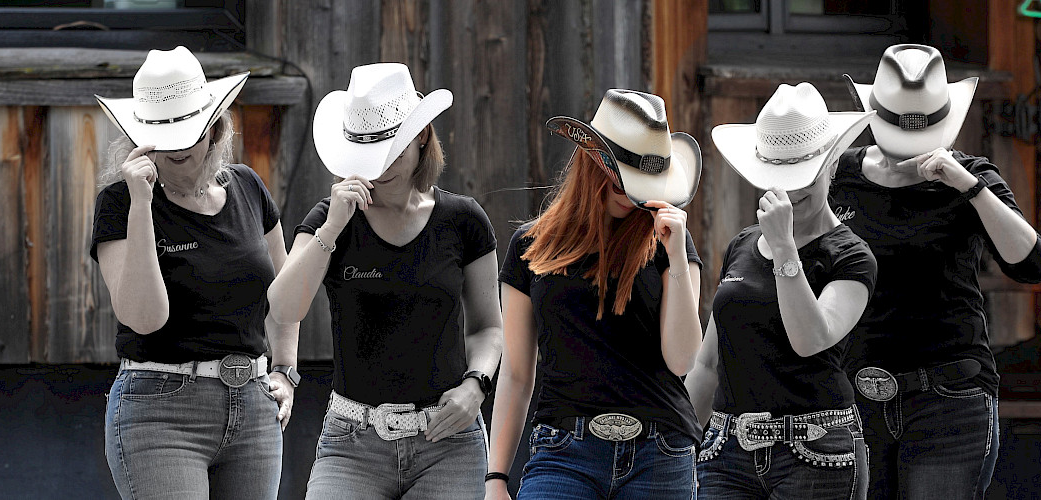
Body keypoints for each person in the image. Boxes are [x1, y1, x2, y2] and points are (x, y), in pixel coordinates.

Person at [267, 62, 504, 500]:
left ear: (421, 137)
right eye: (368, 152)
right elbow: (283, 309)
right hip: (351, 441)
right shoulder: (328, 219)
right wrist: (331, 231)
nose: (380, 167)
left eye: (392, 151)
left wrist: (477, 385)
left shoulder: (464, 220)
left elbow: (489, 327)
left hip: (446, 441)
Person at [835, 44, 1041, 499]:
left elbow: (1032, 265)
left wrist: (967, 186)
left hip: (949, 398)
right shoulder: (841, 176)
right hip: (854, 397)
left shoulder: (971, 177)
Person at [89, 46, 298, 500]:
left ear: (214, 125)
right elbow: (144, 318)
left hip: (254, 408)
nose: (180, 145)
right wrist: (143, 203)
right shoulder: (120, 203)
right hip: (159, 409)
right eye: (163, 132)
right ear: (139, 137)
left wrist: (285, 369)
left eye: (189, 128)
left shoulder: (248, 186)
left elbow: (287, 295)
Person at [485, 89, 704, 500]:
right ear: (592, 161)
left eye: (641, 178)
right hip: (563, 451)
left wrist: (676, 256)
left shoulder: (671, 243)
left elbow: (682, 360)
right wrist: (496, 477)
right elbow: (516, 374)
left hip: (660, 449)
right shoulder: (530, 246)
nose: (629, 190)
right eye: (621, 173)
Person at [685, 82, 877, 499]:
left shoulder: (852, 256)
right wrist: (679, 441)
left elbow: (811, 339)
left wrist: (785, 248)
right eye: (780, 177)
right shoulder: (741, 244)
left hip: (817, 451)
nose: (792, 191)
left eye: (804, 176)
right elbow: (708, 362)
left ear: (831, 165)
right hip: (726, 449)